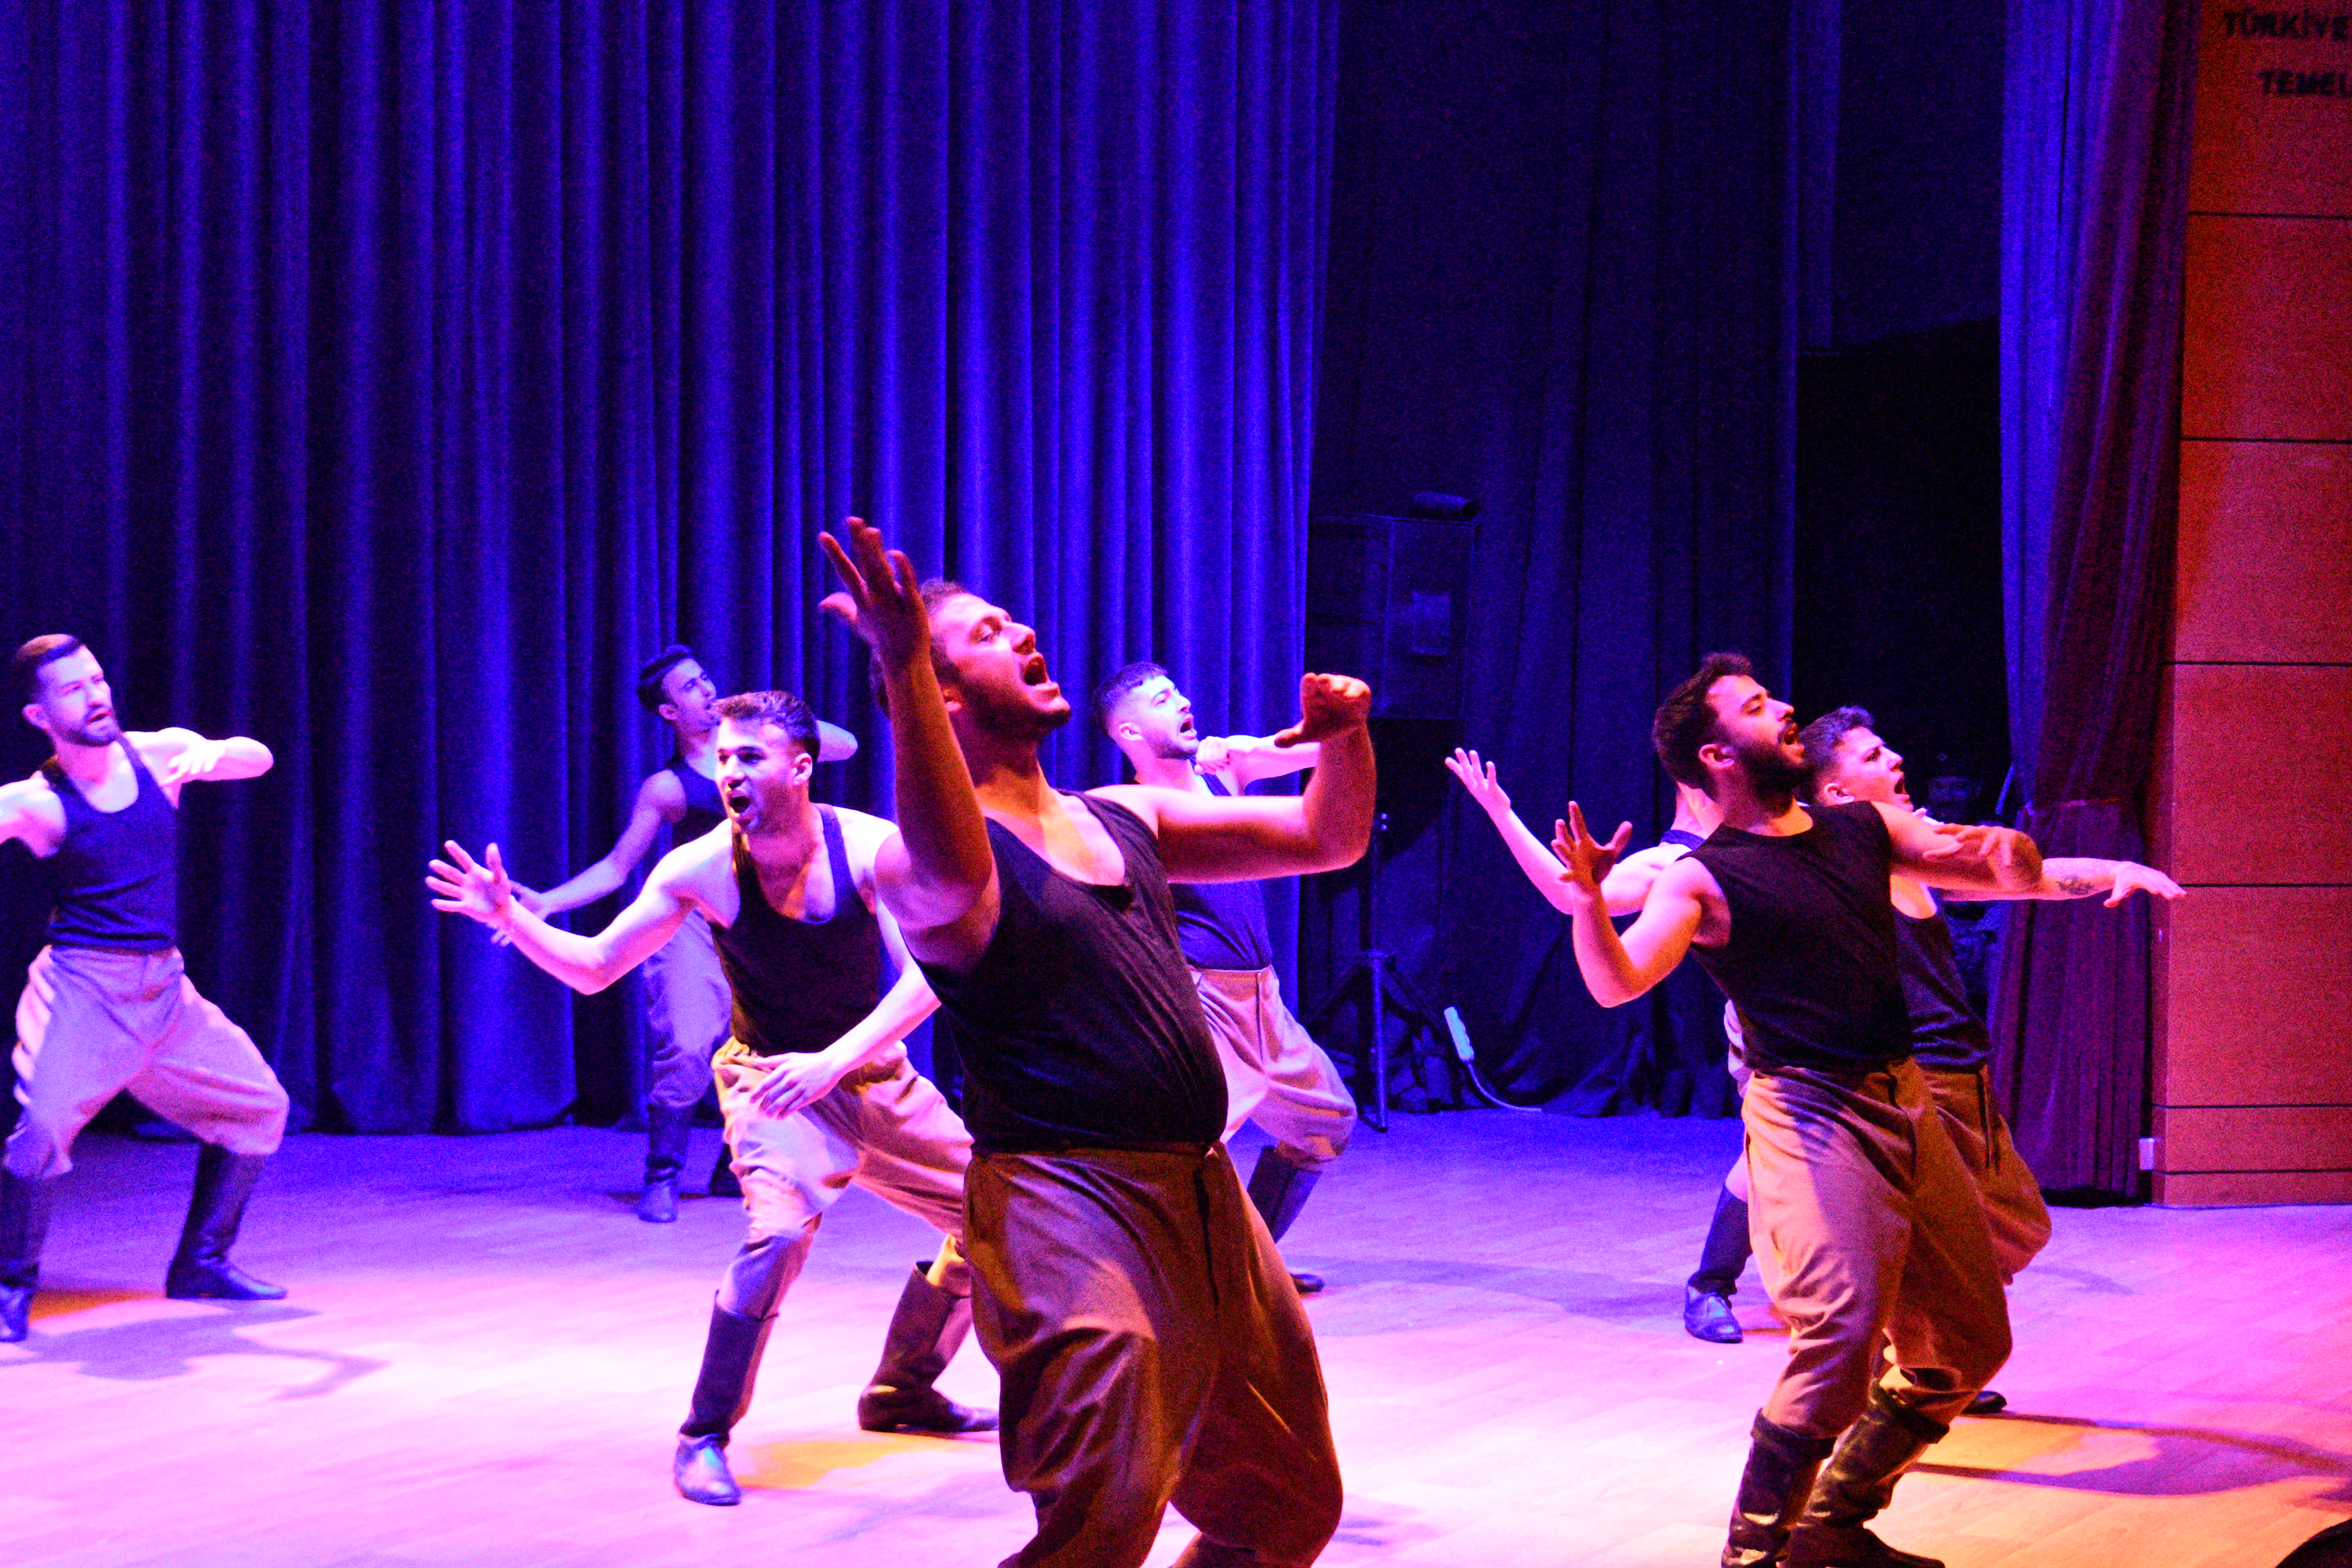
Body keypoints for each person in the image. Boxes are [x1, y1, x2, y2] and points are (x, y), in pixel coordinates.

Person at [819, 516, 1367, 1568]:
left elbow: (1325, 836)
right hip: (1064, 1200)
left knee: (1288, 1507)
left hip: (1202, 1194)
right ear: (940, 691)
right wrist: (900, 665)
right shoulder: (922, 864)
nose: (1025, 632)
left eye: (1013, 620)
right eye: (988, 633)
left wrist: (1344, 736)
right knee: (1104, 1513)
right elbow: (955, 868)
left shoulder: (1125, 815)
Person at [427, 688, 992, 1508]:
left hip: (873, 1077)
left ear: (801, 767)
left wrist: (835, 1061)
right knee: (779, 1235)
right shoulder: (698, 868)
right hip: (772, 1085)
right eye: (724, 758)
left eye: (750, 756)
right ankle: (703, 1434)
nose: (730, 771)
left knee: (997, 1215)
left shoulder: (872, 847)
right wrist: (515, 918)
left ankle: (903, 1389)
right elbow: (596, 968)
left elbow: (930, 975)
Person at [1552, 652, 2043, 1568]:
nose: (1783, 706)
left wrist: (2042, 861)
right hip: (1810, 1111)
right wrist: (1586, 899)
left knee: (1970, 1344)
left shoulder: (1861, 828)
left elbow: (1980, 863)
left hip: (1907, 1099)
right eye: (1754, 704)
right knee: (1841, 1335)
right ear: (1716, 756)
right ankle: (1753, 1555)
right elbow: (1617, 982)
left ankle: (1834, 1522)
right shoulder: (1700, 878)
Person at [1794, 705, 2183, 1413]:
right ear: (1838, 794)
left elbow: (2030, 879)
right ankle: (1907, 1378)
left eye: (1887, 748)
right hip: (1920, 1082)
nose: (1896, 760)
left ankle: (1933, 1356)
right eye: (1873, 756)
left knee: (2013, 1224)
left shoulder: (1916, 856)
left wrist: (2118, 868)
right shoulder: (1844, 865)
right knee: (1942, 1241)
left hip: (1963, 1075)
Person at [1, 636, 291, 1342]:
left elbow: (259, 757)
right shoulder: (35, 803)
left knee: (260, 1106)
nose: (95, 696)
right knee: (42, 1133)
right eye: (73, 690)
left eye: (97, 680)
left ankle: (202, 1264)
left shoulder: (158, 755)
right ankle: (10, 1287)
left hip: (164, 991)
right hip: (83, 990)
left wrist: (214, 753)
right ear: (39, 716)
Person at [511, 645, 854, 1222]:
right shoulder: (668, 789)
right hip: (693, 921)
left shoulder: (762, 752)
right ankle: (663, 1174)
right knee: (690, 1044)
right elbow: (617, 867)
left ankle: (734, 1165)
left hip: (766, 919)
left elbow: (845, 745)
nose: (707, 690)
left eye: (705, 680)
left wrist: (765, 720)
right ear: (669, 712)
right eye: (691, 687)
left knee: (775, 1045)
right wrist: (548, 902)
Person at [1443, 749, 1750, 1342]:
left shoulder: (1774, 839)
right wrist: (1502, 812)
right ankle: (1713, 1283)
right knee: (1770, 1161)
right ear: (1696, 780)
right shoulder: (1671, 863)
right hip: (1770, 1038)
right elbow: (1570, 895)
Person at [1096, 661, 1357, 1294]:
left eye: (1178, 690)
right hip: (1203, 999)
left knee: (1326, 1124)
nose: (1183, 700)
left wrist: (1307, 733)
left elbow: (1306, 755)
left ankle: (1246, 1267)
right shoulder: (1133, 814)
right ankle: (1144, 1278)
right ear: (1130, 732)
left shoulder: (1225, 773)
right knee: (1186, 1146)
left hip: (1263, 998)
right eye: (1163, 699)